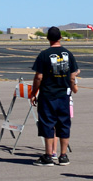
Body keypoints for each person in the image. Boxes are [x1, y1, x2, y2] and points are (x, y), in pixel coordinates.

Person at [30, 26, 79, 167]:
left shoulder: (44, 55)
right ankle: (63, 155)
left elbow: (38, 77)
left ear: (48, 39)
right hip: (64, 94)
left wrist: (34, 92)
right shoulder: (68, 54)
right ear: (60, 38)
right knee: (63, 124)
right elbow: (72, 75)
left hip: (48, 95)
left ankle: (49, 155)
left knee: (47, 124)